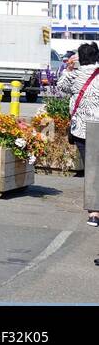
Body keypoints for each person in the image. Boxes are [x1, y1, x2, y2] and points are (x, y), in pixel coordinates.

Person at [56, 41, 99, 227]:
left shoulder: (75, 75)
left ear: (80, 58)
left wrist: (68, 68)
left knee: (91, 171)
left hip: (82, 129)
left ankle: (94, 213)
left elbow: (61, 88)